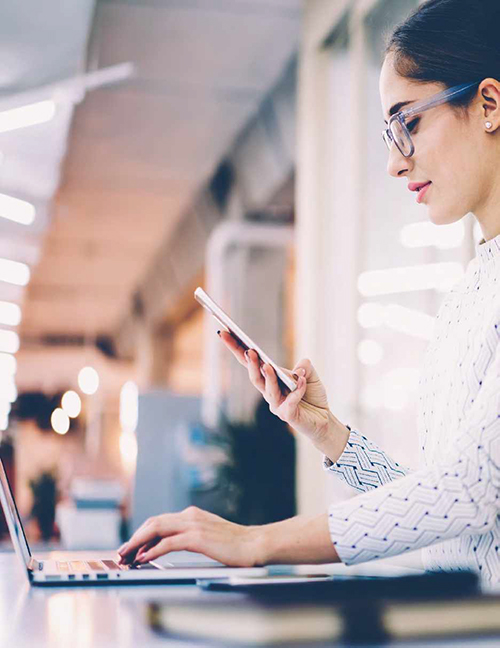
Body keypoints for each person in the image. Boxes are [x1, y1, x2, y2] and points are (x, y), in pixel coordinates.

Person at [118, 0, 500, 584]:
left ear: (489, 104)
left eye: (408, 122)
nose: (396, 164)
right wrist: (331, 436)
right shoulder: (467, 295)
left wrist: (256, 541)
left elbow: (470, 489)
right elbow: (444, 513)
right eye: (387, 133)